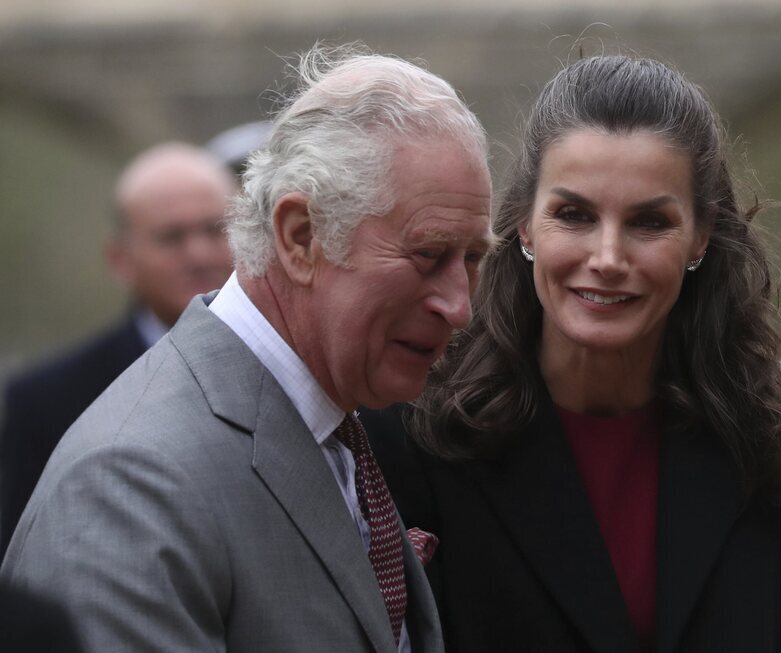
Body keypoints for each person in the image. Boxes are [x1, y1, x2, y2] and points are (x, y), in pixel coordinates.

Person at [1, 44, 493, 653]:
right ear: (300, 236)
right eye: (429, 255)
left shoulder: (333, 421)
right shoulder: (129, 490)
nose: (460, 305)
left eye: (473, 259)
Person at [362, 55, 781, 652]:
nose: (608, 257)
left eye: (649, 222)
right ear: (523, 225)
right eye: (574, 215)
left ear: (700, 235)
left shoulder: (775, 425)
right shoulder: (417, 429)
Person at [0, 142, 235, 556]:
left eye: (215, 230)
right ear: (120, 260)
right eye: (172, 237)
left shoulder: (306, 370)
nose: (198, 254)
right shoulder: (45, 403)